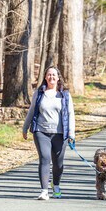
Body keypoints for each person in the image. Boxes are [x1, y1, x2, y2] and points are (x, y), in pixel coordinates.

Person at [22, 66, 76, 201]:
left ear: (58, 78)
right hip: (41, 131)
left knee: (58, 163)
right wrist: (25, 127)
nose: (51, 77)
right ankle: (44, 191)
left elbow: (70, 114)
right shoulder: (39, 93)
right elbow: (32, 111)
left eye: (54, 75)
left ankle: (56, 185)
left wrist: (71, 133)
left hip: (60, 133)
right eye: (49, 75)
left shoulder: (65, 95)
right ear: (45, 77)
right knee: (45, 158)